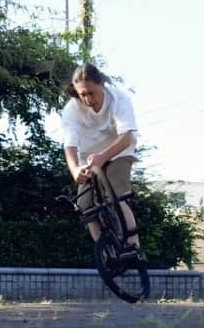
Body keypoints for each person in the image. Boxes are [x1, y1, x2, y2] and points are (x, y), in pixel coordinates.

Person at [61, 63, 146, 261]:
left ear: (103, 85)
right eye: (82, 94)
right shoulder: (71, 110)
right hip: (88, 159)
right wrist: (75, 171)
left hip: (119, 151)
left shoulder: (119, 99)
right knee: (85, 205)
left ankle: (134, 247)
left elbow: (126, 136)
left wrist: (103, 157)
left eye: (91, 93)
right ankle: (108, 253)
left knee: (115, 194)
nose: (87, 99)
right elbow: (70, 146)